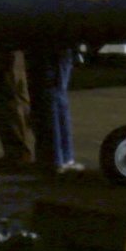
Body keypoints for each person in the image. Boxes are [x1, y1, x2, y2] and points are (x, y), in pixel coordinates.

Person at [30, 45, 81, 174]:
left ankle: (54, 158)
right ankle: (64, 157)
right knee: (57, 97)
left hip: (51, 48)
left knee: (50, 97)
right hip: (59, 48)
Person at [0, 48, 36, 169]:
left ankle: (18, 152)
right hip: (12, 49)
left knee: (10, 95)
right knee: (12, 94)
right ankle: (18, 150)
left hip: (10, 47)